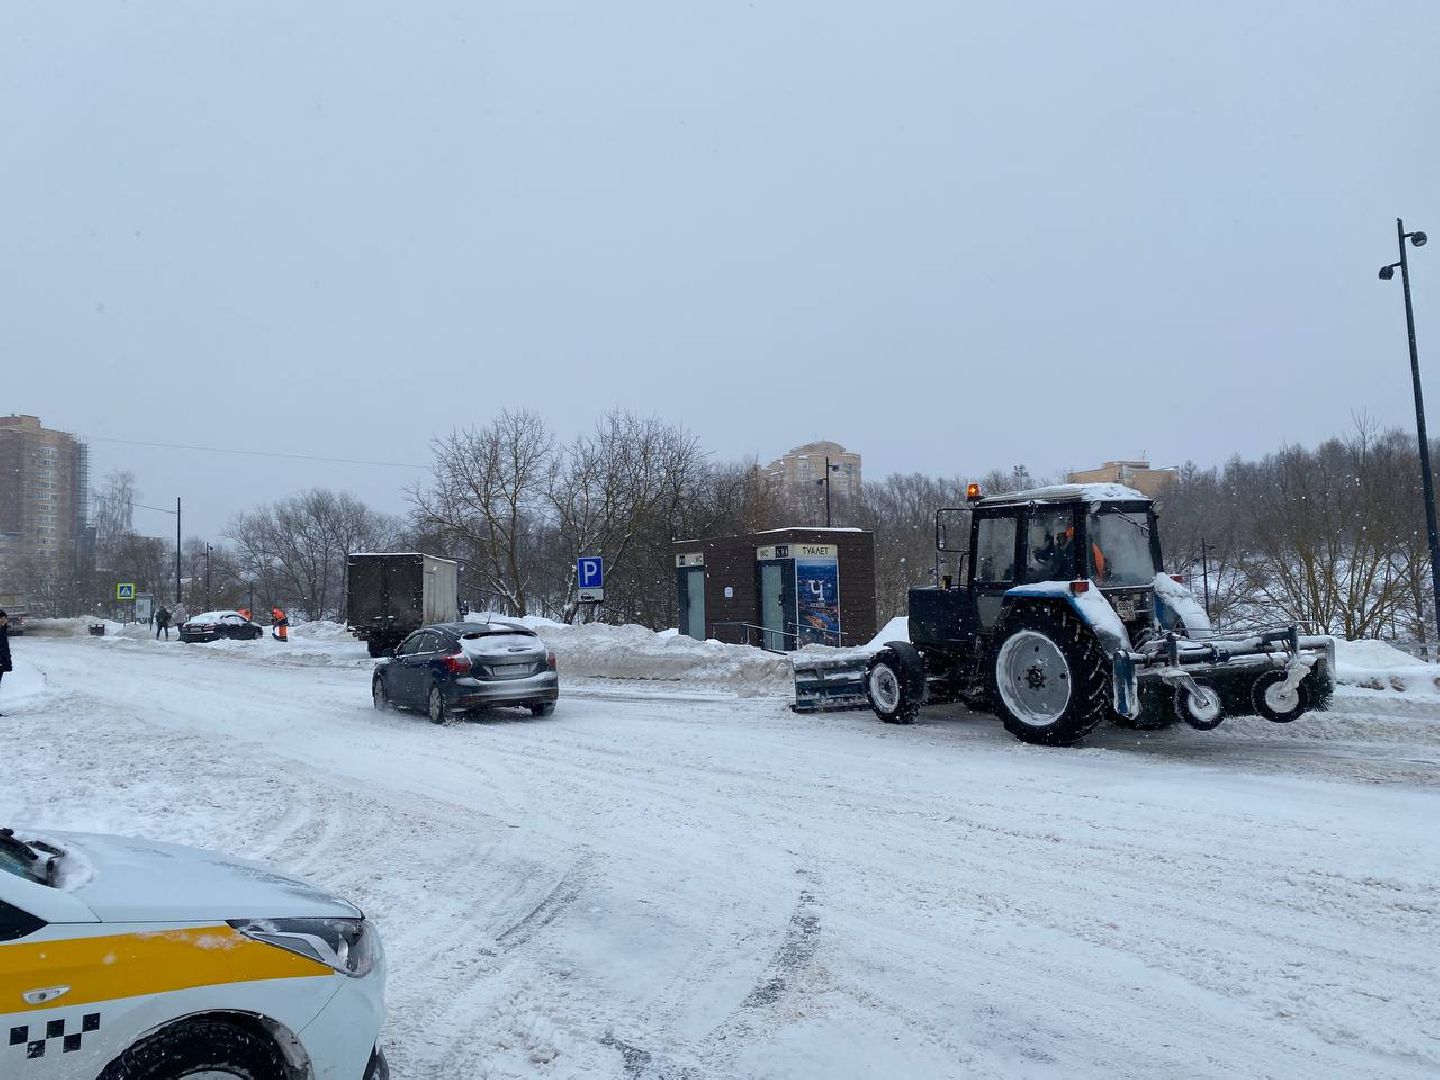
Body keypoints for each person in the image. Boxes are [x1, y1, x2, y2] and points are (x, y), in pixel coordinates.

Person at [0, 610, 11, 716]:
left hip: (2, 662)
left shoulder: (3, 630)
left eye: (4, 618)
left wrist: (7, 660)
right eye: (1, 618)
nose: (3, 620)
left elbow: (5, 647)